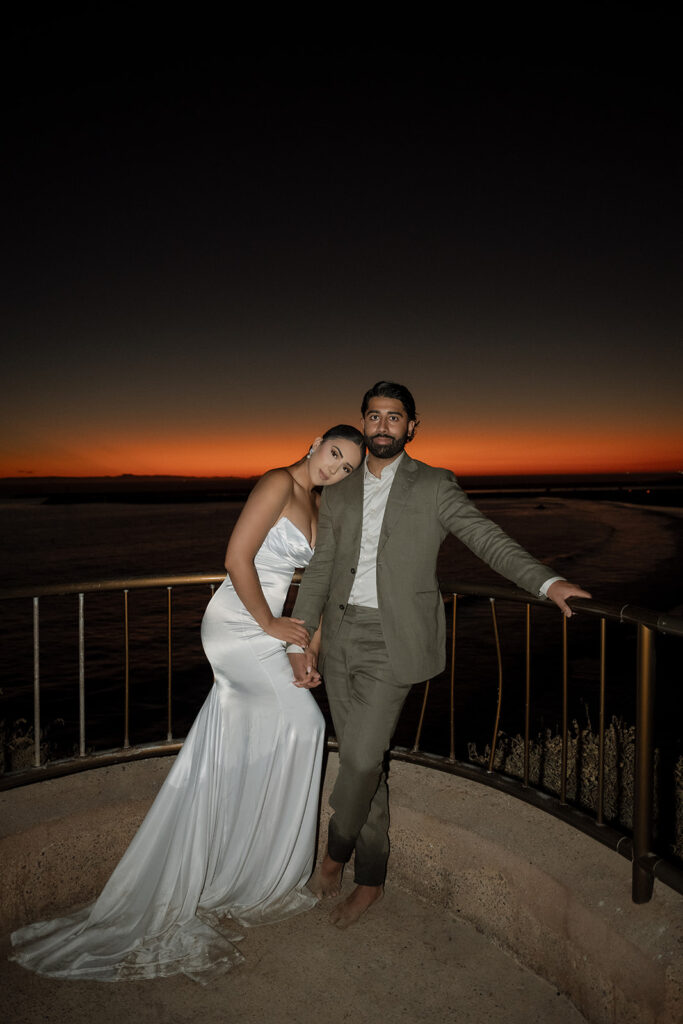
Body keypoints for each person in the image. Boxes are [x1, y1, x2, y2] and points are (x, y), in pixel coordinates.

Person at [10, 425, 365, 983]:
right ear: (315, 442)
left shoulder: (318, 505)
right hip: (239, 621)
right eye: (335, 454)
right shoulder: (277, 481)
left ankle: (241, 860)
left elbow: (314, 591)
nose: (336, 469)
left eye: (347, 467)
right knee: (303, 724)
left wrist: (302, 651)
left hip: (269, 629)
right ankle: (257, 868)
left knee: (277, 729)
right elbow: (237, 557)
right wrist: (272, 625)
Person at [288, 382, 591, 929]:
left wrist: (548, 583)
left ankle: (334, 855)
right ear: (364, 422)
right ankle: (372, 879)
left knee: (357, 761)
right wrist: (300, 639)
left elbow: (485, 538)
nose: (383, 425)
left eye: (394, 417)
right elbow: (320, 572)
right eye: (374, 416)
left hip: (392, 641)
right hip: (339, 640)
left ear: (411, 426)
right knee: (367, 759)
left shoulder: (434, 485)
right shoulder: (337, 491)